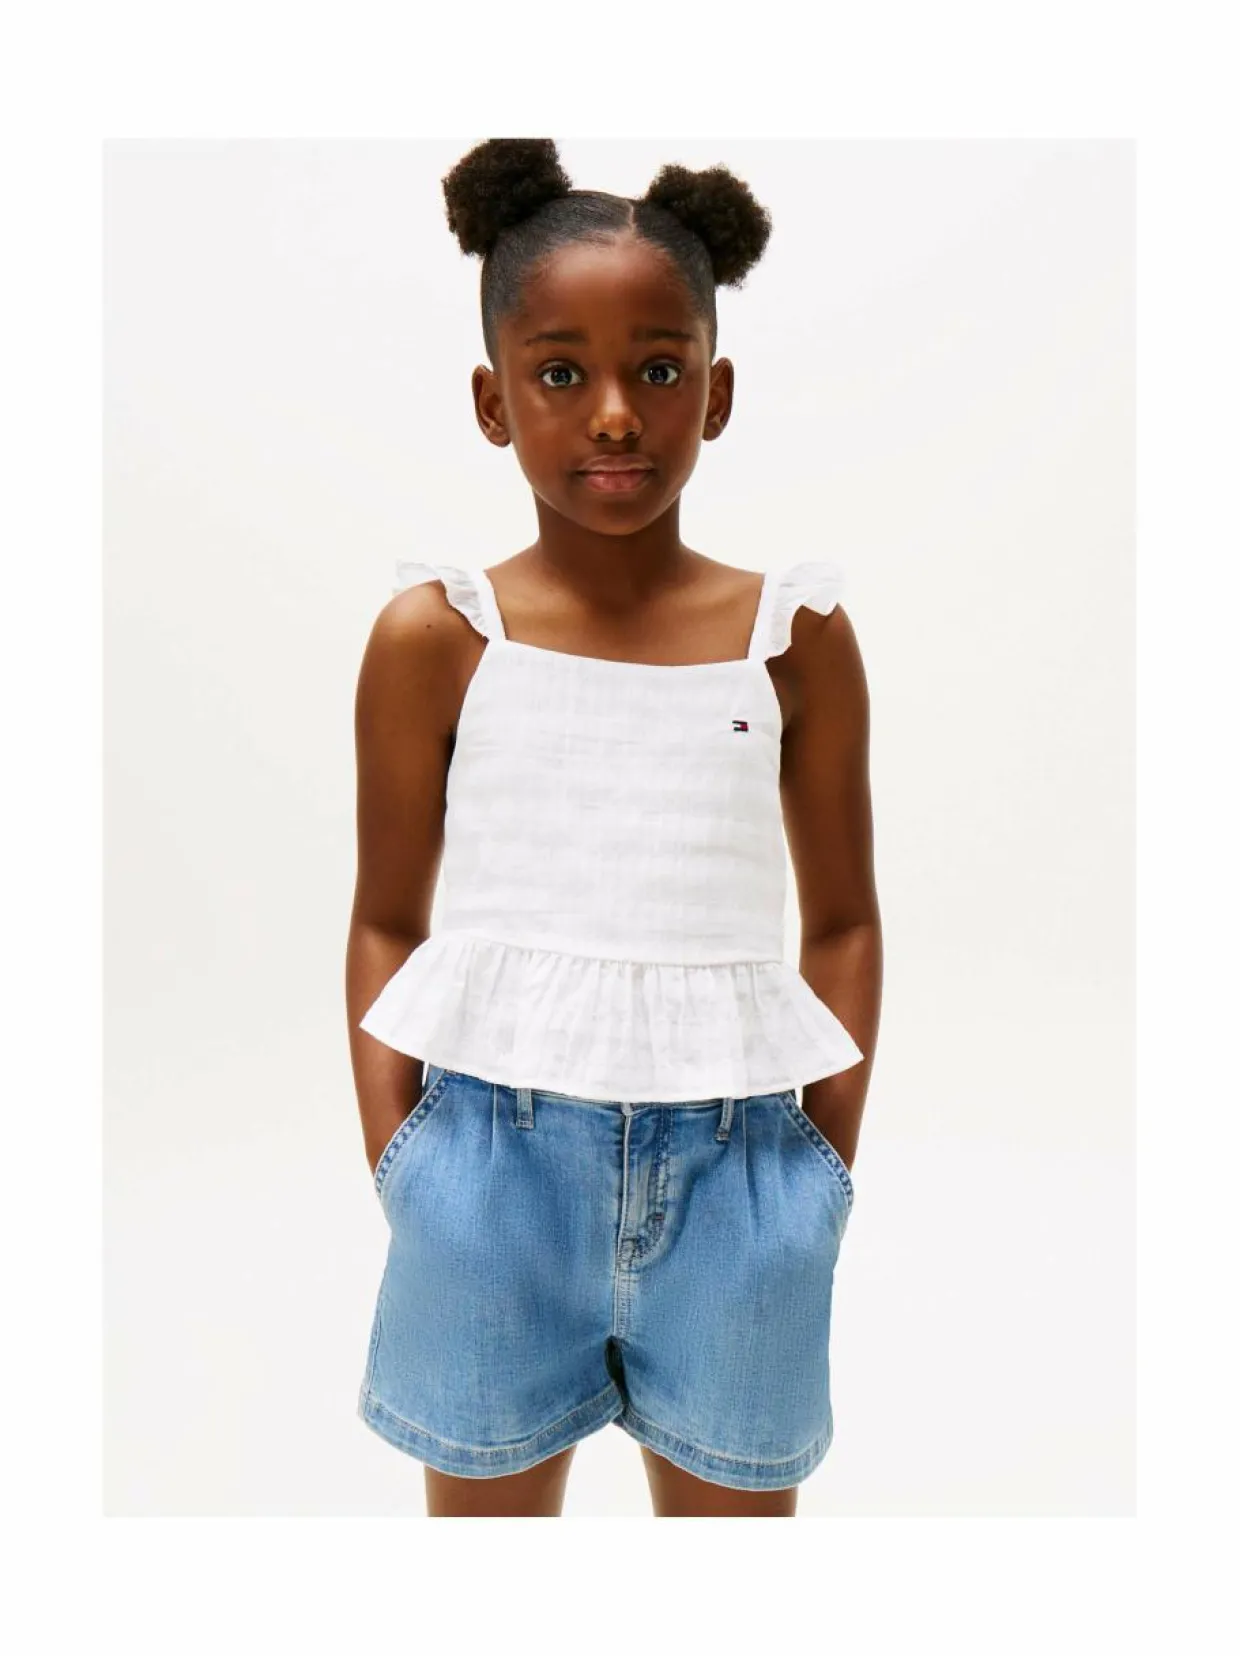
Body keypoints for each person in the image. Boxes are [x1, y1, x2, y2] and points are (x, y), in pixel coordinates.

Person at [346, 138, 882, 1518]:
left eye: (657, 368)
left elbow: (842, 919)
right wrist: (406, 1167)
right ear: (491, 399)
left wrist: (818, 1177)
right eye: (558, 373)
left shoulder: (793, 638)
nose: (613, 417)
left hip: (743, 1190)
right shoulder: (439, 636)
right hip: (487, 1186)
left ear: (717, 390)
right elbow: (386, 916)